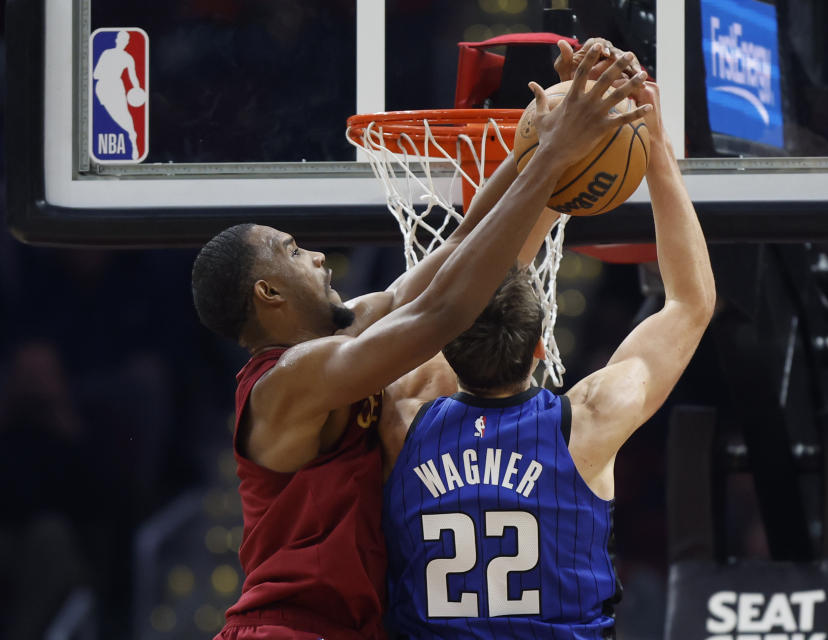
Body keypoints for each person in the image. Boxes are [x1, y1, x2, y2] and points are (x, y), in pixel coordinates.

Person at [190, 45, 647, 640]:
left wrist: (537, 144)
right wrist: (553, 157)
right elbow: (446, 312)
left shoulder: (347, 330)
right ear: (268, 293)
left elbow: (458, 249)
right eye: (294, 251)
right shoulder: (284, 385)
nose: (319, 255)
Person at [380, 71, 716, 638]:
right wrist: (652, 147)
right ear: (543, 343)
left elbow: (454, 298)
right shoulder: (586, 421)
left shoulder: (400, 419)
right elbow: (690, 303)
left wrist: (551, 158)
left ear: (443, 338)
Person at [92, 30, 143, 159]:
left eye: (125, 40)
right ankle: (131, 135)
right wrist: (108, 74)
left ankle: (133, 141)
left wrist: (137, 89)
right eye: (121, 39)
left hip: (116, 87)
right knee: (110, 115)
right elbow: (95, 74)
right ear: (117, 40)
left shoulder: (128, 58)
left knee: (124, 115)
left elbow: (133, 76)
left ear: (127, 42)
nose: (123, 42)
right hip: (103, 87)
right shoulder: (107, 53)